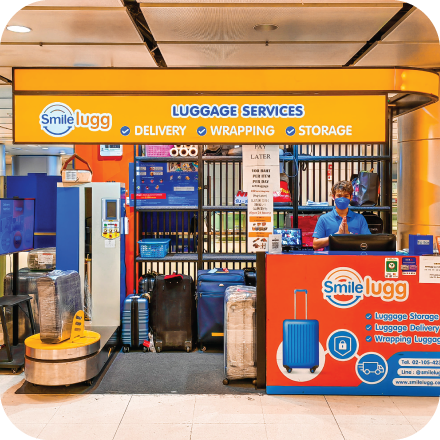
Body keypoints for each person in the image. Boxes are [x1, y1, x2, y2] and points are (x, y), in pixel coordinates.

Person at [312, 180, 371, 251]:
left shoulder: (360, 219)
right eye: (339, 196)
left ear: (351, 197)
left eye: (346, 196)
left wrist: (349, 235)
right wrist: (336, 236)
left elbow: (369, 243)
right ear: (333, 197)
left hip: (353, 257)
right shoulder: (323, 219)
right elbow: (315, 245)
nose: (342, 199)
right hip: (331, 257)